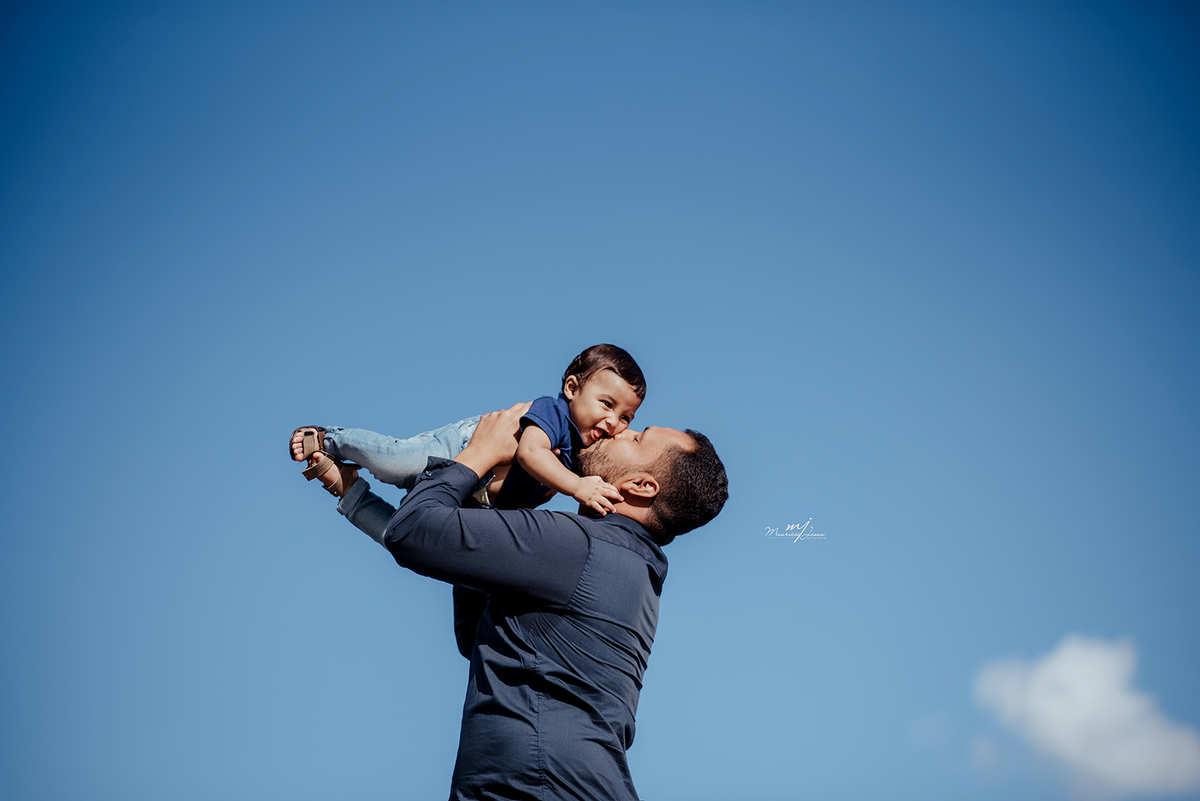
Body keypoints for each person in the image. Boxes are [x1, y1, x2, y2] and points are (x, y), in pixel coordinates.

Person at [308, 404, 728, 801]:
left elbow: (412, 532)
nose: (620, 429)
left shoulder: (580, 546)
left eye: (637, 438)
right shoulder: (631, 567)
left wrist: (480, 454)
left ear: (641, 486)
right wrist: (495, 504)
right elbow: (480, 636)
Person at [289, 344, 646, 514]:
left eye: (626, 417)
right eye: (607, 404)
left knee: (413, 534)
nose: (614, 422)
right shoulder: (555, 414)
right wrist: (577, 487)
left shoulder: (584, 453)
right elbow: (530, 452)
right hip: (461, 448)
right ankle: (331, 438)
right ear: (571, 389)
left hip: (474, 496)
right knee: (396, 462)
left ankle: (348, 488)